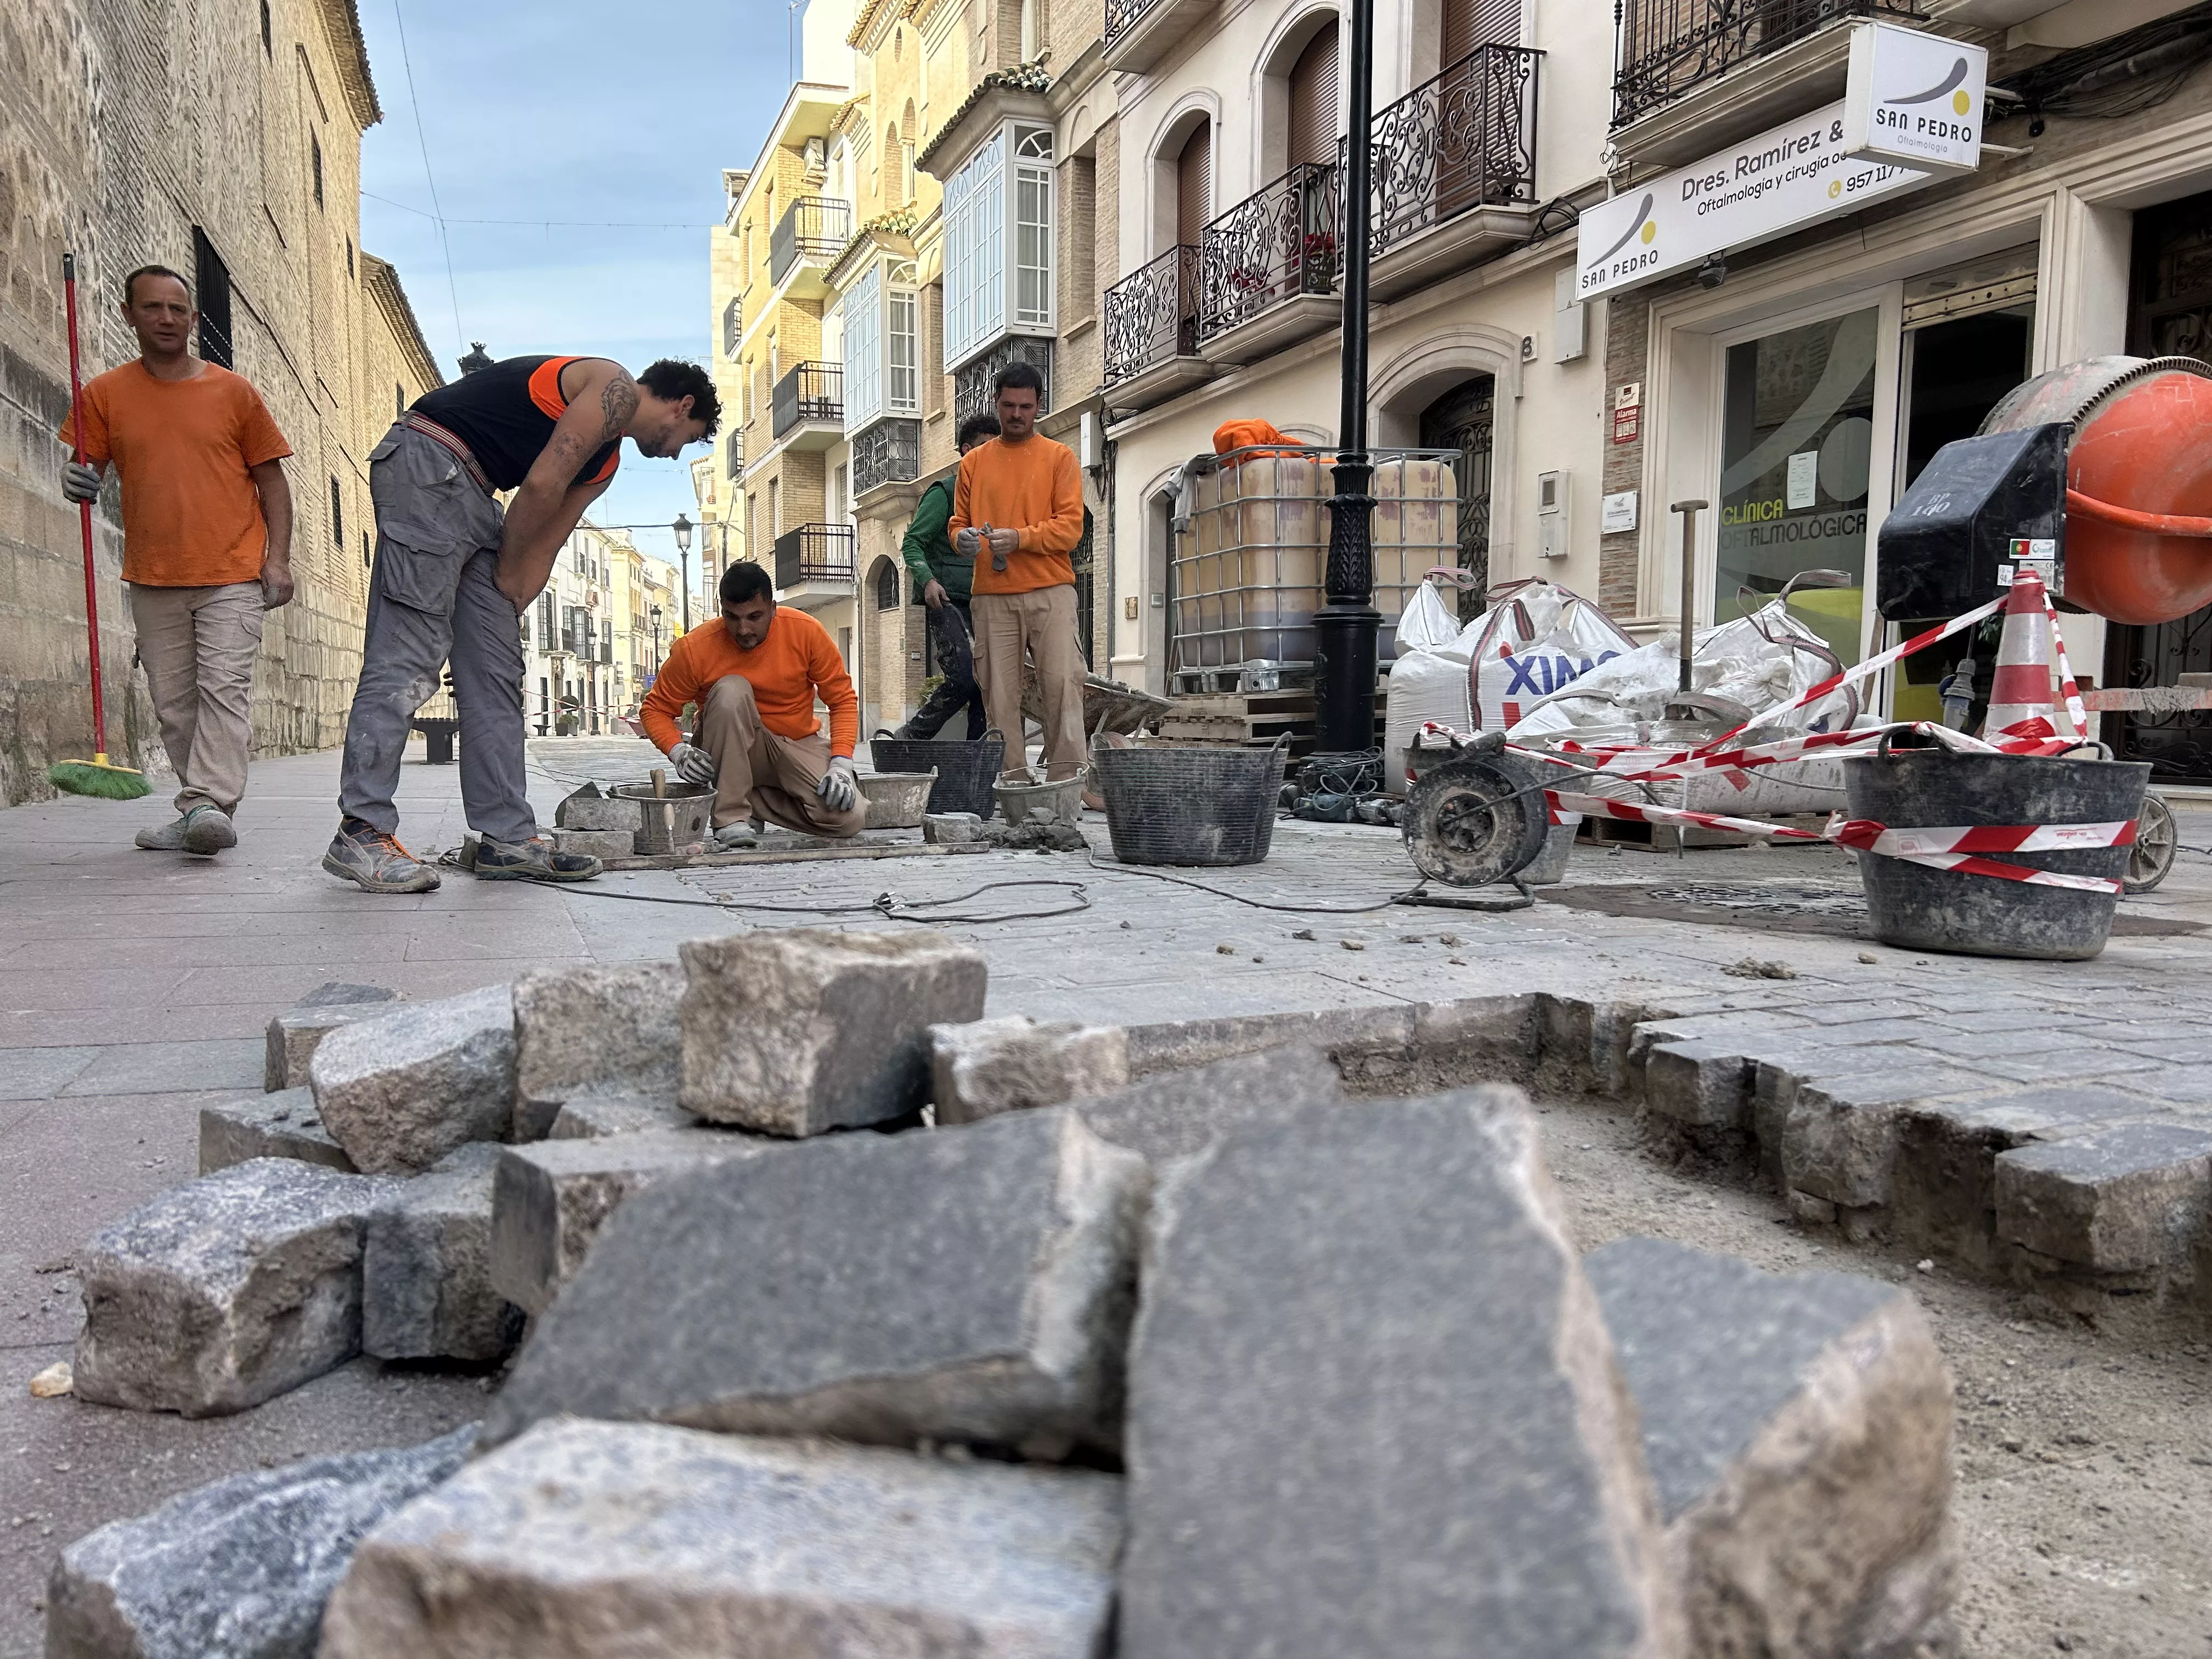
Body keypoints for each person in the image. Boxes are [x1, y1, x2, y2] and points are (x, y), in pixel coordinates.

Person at [322, 354, 716, 893]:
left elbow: (546, 543)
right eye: (687, 439)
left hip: (474, 497)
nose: (674, 454)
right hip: (430, 461)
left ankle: (506, 840)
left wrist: (505, 599)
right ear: (682, 405)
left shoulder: (605, 464)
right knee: (410, 655)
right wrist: (506, 571)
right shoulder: (614, 386)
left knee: (496, 670)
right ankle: (362, 831)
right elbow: (539, 487)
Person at [58, 264, 295, 856]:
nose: (167, 319)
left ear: (193, 318)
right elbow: (85, 471)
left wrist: (279, 560)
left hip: (233, 572)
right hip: (153, 573)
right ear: (128, 315)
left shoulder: (235, 393)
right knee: (173, 704)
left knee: (224, 690)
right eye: (154, 308)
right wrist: (74, 480)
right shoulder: (104, 394)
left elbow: (275, 484)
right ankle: (198, 811)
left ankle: (208, 805)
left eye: (178, 309)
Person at [641, 561, 865, 844]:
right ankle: (731, 817)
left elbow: (842, 699)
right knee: (731, 689)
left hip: (795, 743)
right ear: (722, 610)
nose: (743, 629)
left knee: (848, 819)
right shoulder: (695, 649)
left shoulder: (806, 632)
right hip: (729, 746)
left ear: (773, 608)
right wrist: (677, 751)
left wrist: (841, 765)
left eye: (755, 617)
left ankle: (752, 802)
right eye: (732, 618)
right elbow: (655, 709)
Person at [949, 363, 1087, 778]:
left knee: (1063, 688)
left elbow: (1071, 529)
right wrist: (963, 540)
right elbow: (957, 525)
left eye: (1025, 406)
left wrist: (1020, 538)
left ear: (1039, 405)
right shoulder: (972, 464)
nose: (1016, 414)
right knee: (1000, 699)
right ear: (996, 403)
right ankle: (1012, 784)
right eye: (1008, 405)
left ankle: (1065, 784)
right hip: (992, 594)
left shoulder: (1060, 458)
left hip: (1051, 591)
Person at [893, 413, 1000, 741]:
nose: (991, 456)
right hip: (947, 601)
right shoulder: (945, 493)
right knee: (966, 678)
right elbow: (912, 542)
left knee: (988, 685)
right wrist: (927, 580)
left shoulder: (995, 498)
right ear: (966, 450)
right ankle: (911, 737)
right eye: (983, 448)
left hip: (985, 601)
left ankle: (979, 766)